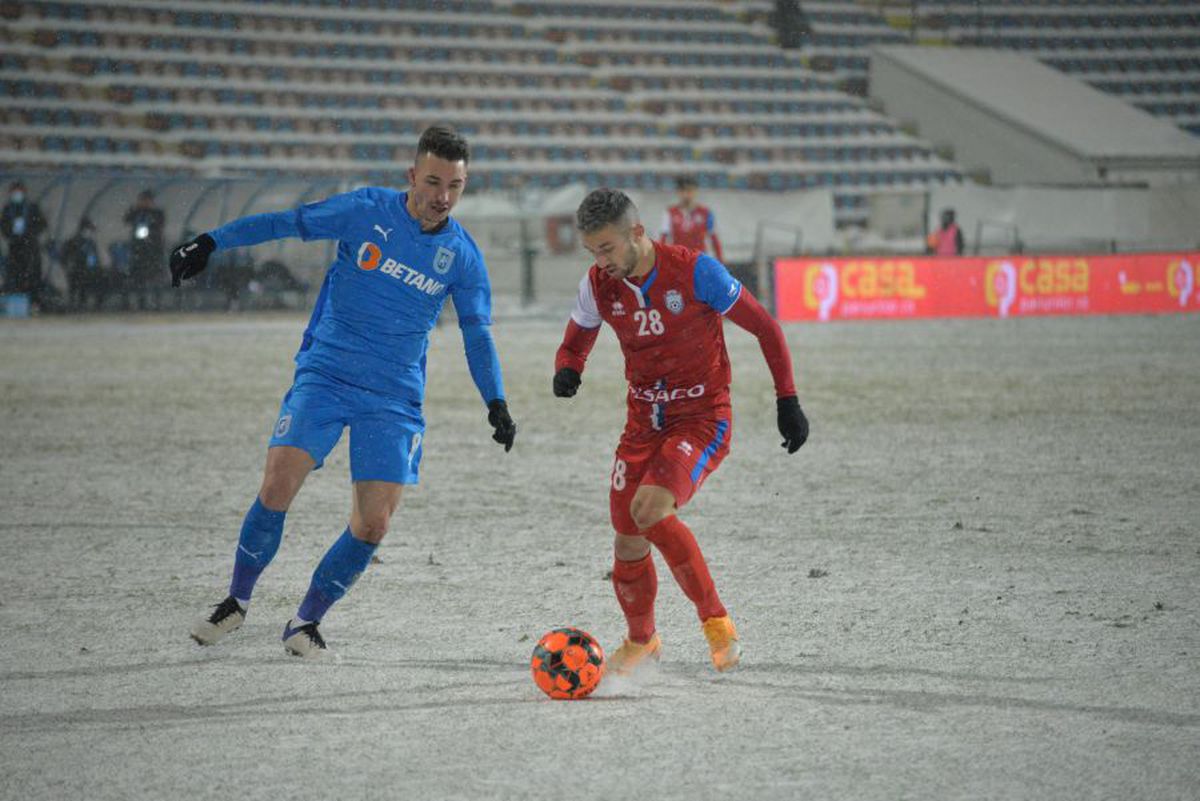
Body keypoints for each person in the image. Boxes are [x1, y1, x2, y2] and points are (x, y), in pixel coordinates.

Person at [170, 124, 518, 657]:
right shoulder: (365, 209)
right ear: (411, 176)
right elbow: (287, 223)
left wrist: (495, 400)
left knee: (373, 523)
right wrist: (213, 241)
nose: (442, 197)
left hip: (394, 397)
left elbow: (477, 331)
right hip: (326, 374)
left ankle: (306, 621)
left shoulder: (463, 255)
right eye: (432, 182)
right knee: (277, 486)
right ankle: (235, 602)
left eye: (455, 186)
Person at [553, 188, 808, 675]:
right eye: (592, 252)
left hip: (701, 417)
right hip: (641, 422)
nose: (600, 261)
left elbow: (765, 328)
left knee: (648, 509)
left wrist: (787, 399)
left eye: (607, 248)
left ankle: (716, 623)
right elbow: (576, 340)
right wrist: (569, 368)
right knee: (627, 539)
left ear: (637, 232)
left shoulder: (695, 272)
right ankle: (641, 640)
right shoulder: (598, 283)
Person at [1, 181, 48, 308]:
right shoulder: (7, 209)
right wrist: (12, 235)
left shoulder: (32, 208)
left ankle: (33, 302)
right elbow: (4, 227)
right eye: (14, 192)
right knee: (15, 275)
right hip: (15, 247)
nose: (17, 194)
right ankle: (18, 301)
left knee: (32, 275)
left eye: (19, 191)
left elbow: (42, 224)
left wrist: (30, 234)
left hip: (30, 247)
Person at [659, 175, 724, 262]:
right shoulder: (670, 213)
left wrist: (721, 262)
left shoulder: (706, 213)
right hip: (678, 261)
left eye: (689, 190)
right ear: (678, 192)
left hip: (699, 261)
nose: (686, 195)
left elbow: (714, 239)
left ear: (695, 191)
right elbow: (663, 239)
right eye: (683, 191)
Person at [123, 189, 165, 309]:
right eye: (142, 200)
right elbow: (126, 219)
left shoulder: (157, 213)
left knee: (156, 277)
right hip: (138, 250)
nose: (144, 203)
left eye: (146, 200)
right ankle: (142, 302)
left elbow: (159, 224)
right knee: (138, 278)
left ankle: (157, 302)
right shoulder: (136, 213)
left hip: (153, 250)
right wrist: (135, 209)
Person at [63, 216, 108, 311]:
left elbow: (95, 258)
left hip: (89, 270)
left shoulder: (90, 242)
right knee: (81, 281)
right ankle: (77, 304)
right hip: (79, 270)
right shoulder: (74, 242)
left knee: (102, 277)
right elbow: (66, 257)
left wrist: (98, 267)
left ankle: (93, 304)